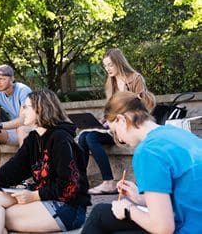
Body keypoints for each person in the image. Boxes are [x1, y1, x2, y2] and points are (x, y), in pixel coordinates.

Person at [0, 90, 91, 234]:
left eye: (25, 107)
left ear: (40, 110)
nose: (22, 111)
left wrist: (34, 196)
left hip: (68, 208)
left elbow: (69, 186)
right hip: (44, 199)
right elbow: (13, 168)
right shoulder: (34, 138)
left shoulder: (61, 139)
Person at [81, 91, 202, 234]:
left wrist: (129, 209)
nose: (119, 139)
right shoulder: (178, 134)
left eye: (114, 132)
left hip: (187, 228)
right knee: (100, 213)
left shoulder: (148, 151)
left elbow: (163, 228)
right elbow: (183, 195)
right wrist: (140, 199)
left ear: (121, 120)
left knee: (101, 217)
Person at [78, 48, 155, 195]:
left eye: (110, 65)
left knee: (91, 138)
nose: (107, 69)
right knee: (84, 136)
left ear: (119, 63)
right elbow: (111, 109)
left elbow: (143, 107)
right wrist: (102, 122)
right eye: (105, 66)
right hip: (113, 127)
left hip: (129, 127)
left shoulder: (135, 78)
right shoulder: (111, 82)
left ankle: (108, 182)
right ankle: (80, 183)